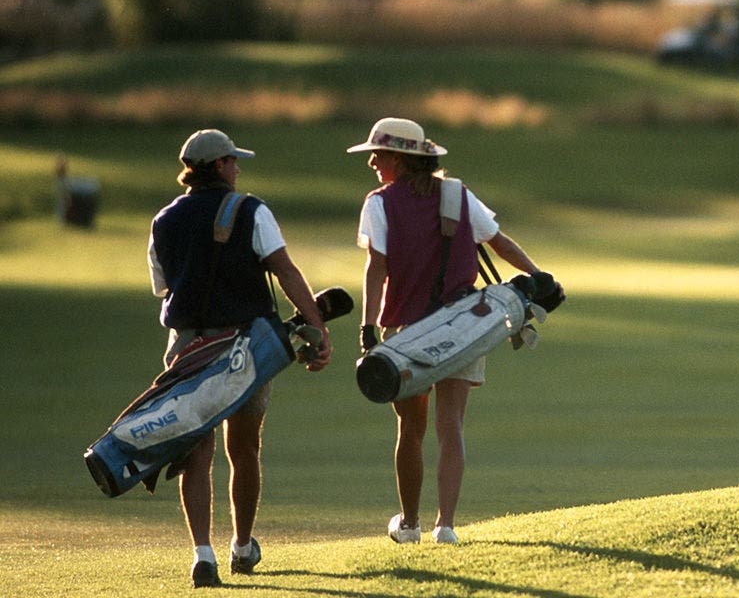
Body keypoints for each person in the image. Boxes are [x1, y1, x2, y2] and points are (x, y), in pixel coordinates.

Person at [148, 129, 333, 588]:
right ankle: (243, 546)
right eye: (232, 162)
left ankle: (202, 554)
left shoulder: (163, 220)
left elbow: (165, 288)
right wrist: (317, 326)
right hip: (245, 349)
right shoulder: (251, 210)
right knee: (244, 447)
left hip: (187, 346)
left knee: (196, 450)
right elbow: (285, 271)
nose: (237, 168)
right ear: (217, 167)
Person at [347, 117, 544, 545]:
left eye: (377, 155)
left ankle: (411, 524)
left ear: (399, 158)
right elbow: (499, 243)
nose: (373, 163)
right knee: (451, 425)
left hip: (408, 331)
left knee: (410, 431)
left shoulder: (379, 202)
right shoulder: (458, 195)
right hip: (464, 325)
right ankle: (446, 525)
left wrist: (368, 328)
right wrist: (539, 275)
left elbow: (377, 267)